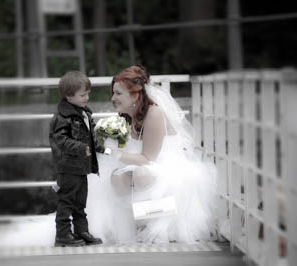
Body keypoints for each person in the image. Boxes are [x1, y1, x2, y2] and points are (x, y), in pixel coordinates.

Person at [86, 65, 217, 244]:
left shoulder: (154, 114)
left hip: (167, 167)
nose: (113, 98)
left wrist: (114, 153)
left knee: (141, 174)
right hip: (142, 163)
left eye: (118, 93)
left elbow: (148, 158)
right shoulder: (128, 115)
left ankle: (151, 225)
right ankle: (135, 225)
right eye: (114, 93)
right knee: (117, 178)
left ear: (135, 95)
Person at [49, 70, 103, 247]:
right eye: (82, 95)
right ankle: (63, 235)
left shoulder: (84, 112)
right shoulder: (62, 117)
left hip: (81, 167)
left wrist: (100, 146)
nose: (87, 98)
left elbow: (91, 134)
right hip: (68, 167)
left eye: (87, 94)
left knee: (80, 202)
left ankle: (82, 231)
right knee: (66, 201)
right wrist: (80, 147)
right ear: (68, 96)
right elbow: (61, 140)